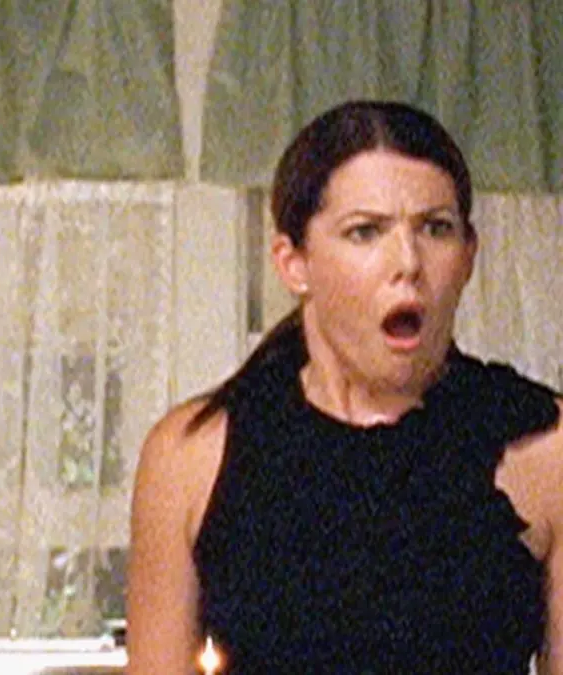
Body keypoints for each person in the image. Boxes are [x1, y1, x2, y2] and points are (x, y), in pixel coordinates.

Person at [127, 101, 563, 674]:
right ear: (294, 263)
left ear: (467, 257)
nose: (408, 262)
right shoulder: (189, 455)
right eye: (366, 232)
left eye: (436, 228)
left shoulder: (547, 453)